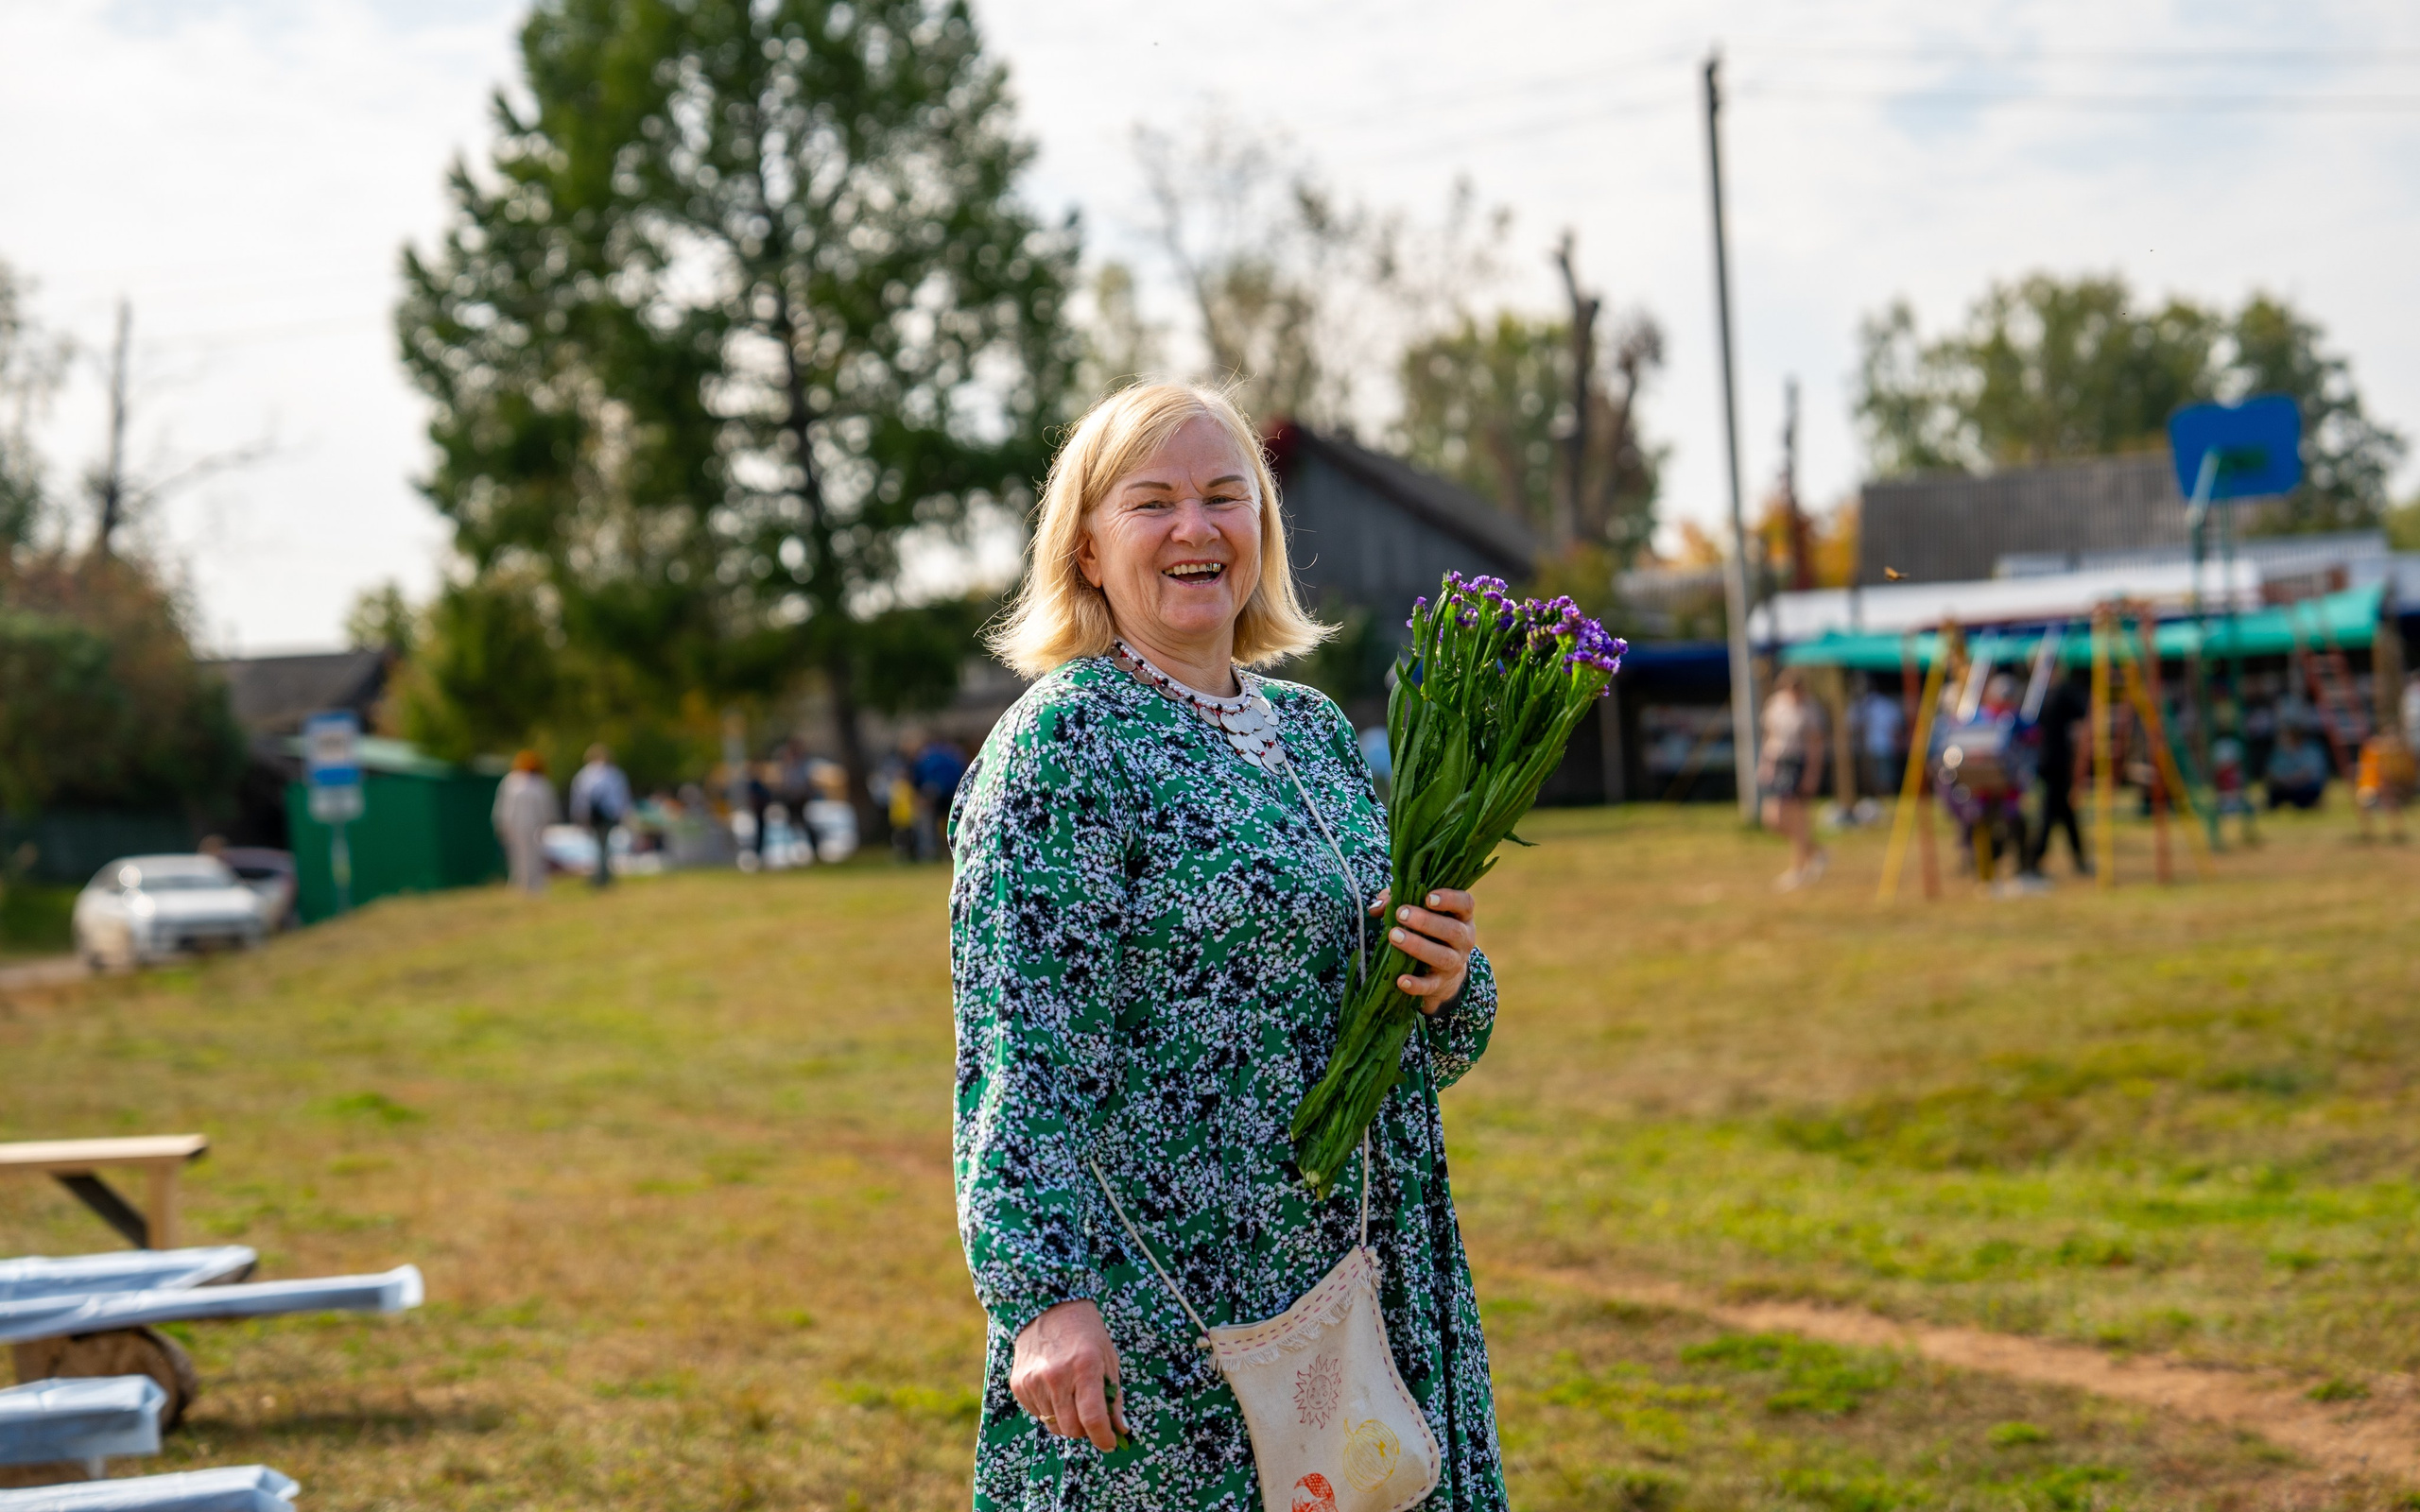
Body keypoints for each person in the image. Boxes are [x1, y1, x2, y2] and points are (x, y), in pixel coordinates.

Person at [949, 383, 1500, 1508]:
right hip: (1180, 1309)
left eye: (1224, 495)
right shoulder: (1066, 744)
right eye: (1152, 503)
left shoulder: (1307, 731)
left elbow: (1382, 1027)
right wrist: (1042, 1293)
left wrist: (1446, 983)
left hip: (1365, 1272)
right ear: (1090, 550)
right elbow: (1022, 1045)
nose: (1196, 529)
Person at [1757, 667, 1826, 889]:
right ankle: (1816, 852)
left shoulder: (1809, 710)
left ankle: (1798, 870)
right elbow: (1769, 735)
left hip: (1798, 763)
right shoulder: (1776, 705)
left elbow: (1815, 745)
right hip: (1777, 761)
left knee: (1798, 819)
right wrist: (1764, 763)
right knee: (1772, 818)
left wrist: (1811, 775)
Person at [2024, 670, 2091, 877]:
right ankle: (2034, 861)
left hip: (2048, 761)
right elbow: (2083, 712)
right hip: (2055, 761)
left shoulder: (2038, 694)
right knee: (2051, 812)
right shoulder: (2053, 693)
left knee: (2062, 811)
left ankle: (2074, 859)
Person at [492, 750, 557, 895]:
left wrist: (545, 824)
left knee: (535, 856)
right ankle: (520, 885)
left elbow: (546, 807)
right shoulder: (511, 781)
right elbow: (504, 807)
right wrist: (502, 825)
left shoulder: (540, 783)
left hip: (534, 825)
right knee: (517, 857)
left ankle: (536, 886)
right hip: (515, 826)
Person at [566, 744, 631, 889]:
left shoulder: (584, 775)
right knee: (603, 846)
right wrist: (623, 813)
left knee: (599, 846)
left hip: (593, 815)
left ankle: (601, 877)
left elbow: (579, 799)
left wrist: (579, 816)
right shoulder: (614, 774)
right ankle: (603, 877)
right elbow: (621, 797)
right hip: (607, 815)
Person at [2265, 725, 2327, 811]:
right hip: (2284, 787)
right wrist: (2284, 782)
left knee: (2308, 790)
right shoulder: (2280, 751)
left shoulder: (2311, 749)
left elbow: (2309, 773)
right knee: (2274, 790)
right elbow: (2271, 772)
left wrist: (2292, 781)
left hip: (2305, 787)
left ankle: (2311, 803)